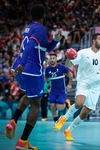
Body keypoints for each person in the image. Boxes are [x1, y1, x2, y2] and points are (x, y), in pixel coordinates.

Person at [4, 4, 61, 150]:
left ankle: (13, 122)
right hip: (30, 69)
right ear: (43, 16)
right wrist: (23, 64)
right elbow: (30, 45)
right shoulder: (40, 29)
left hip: (21, 71)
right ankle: (22, 141)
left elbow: (46, 48)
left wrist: (54, 40)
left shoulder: (29, 28)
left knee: (28, 96)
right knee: (36, 104)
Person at [55, 33, 100, 141]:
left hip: (96, 87)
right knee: (79, 103)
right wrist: (69, 57)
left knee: (84, 114)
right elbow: (69, 64)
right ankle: (64, 118)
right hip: (84, 82)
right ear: (94, 41)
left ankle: (68, 130)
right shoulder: (83, 53)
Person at [45, 53, 73, 128]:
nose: (52, 60)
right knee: (52, 106)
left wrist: (69, 84)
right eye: (51, 58)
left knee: (59, 107)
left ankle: (66, 103)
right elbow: (45, 80)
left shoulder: (61, 67)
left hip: (62, 91)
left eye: (54, 58)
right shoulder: (47, 69)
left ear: (56, 59)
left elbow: (70, 74)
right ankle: (56, 122)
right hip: (53, 91)